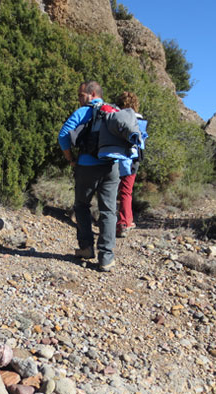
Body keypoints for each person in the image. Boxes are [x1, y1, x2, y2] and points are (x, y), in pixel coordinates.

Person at [58, 81, 119, 272]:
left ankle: (86, 249)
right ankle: (106, 258)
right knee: (108, 211)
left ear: (92, 94)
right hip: (111, 167)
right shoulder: (115, 111)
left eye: (81, 95)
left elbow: (62, 136)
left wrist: (70, 159)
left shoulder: (83, 112)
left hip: (87, 165)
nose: (79, 99)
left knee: (82, 206)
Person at [114, 91, 148, 237]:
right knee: (126, 191)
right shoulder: (140, 120)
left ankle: (122, 222)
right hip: (133, 160)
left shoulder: (115, 117)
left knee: (114, 189)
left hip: (116, 157)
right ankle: (126, 221)